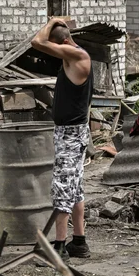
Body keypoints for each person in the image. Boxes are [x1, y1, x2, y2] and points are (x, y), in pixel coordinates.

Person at [31, 18, 93, 260]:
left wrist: (51, 21)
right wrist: (62, 30)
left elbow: (37, 42)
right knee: (75, 189)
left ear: (65, 44)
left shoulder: (78, 57)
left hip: (70, 134)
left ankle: (58, 247)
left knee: (62, 189)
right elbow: (63, 42)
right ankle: (79, 242)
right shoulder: (77, 54)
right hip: (72, 133)